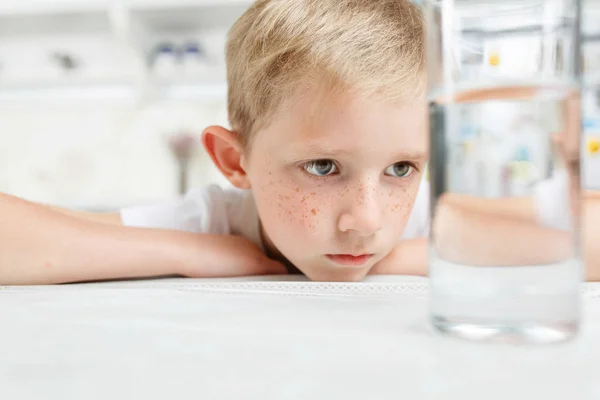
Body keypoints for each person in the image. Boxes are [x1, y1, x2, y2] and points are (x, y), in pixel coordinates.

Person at [0, 0, 597, 285]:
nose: (366, 223)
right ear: (236, 161)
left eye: (400, 169)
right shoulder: (211, 223)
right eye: (322, 165)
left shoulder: (418, 226)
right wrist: (191, 252)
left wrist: (416, 255)